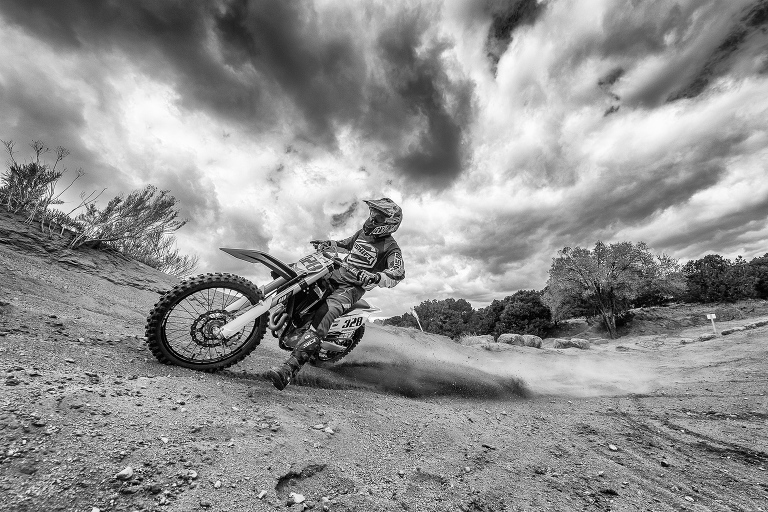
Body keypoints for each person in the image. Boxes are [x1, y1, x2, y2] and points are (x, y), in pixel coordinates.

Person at [267, 198, 405, 390]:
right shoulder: (362, 234)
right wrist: (328, 244)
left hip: (350, 288)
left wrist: (376, 277)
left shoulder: (391, 248)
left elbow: (397, 272)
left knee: (326, 311)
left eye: (378, 217)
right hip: (333, 272)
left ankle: (289, 370)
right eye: (373, 214)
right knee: (295, 276)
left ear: (389, 223)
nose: (373, 219)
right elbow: (345, 244)